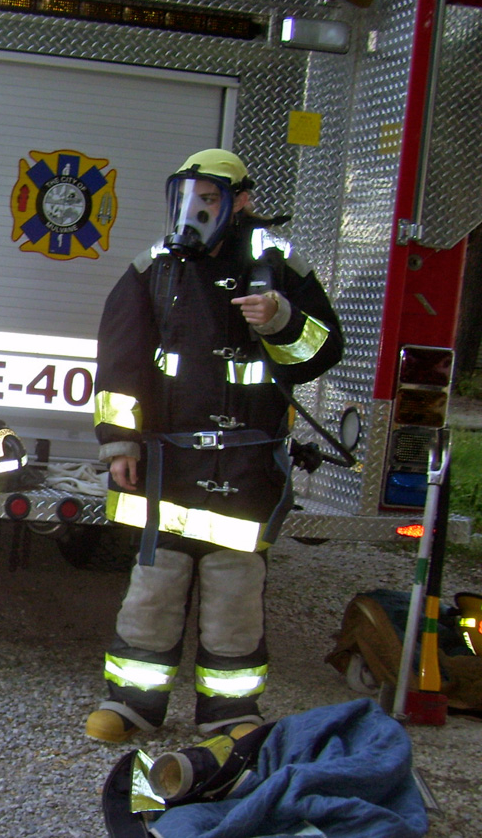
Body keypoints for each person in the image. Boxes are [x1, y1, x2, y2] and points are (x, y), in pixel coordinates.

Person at [87, 148, 343, 743]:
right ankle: (131, 705)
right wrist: (120, 442)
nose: (194, 210)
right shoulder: (154, 268)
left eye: (208, 199)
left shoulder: (278, 265)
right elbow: (120, 361)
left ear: (241, 200)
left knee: (235, 591)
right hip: (167, 461)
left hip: (248, 464)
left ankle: (230, 715)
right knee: (155, 586)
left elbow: (322, 352)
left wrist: (280, 320)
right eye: (186, 198)